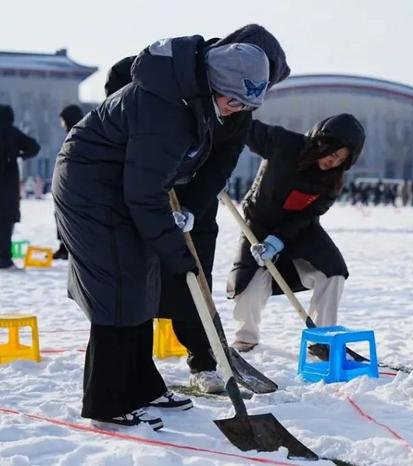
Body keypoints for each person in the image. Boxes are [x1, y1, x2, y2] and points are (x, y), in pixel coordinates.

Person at [52, 34, 270, 429]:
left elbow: (173, 177)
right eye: (233, 100)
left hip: (125, 187)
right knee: (117, 286)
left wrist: (186, 211)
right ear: (214, 83)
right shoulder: (166, 107)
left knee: (140, 281)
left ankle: (142, 387)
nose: (235, 111)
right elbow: (143, 192)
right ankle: (107, 401)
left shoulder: (197, 99)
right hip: (92, 188)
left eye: (245, 105)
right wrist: (176, 251)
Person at [103, 25, 290, 394]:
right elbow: (119, 84)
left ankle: (204, 359)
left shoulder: (241, 111)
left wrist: (191, 206)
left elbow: (222, 164)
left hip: (194, 193)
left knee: (194, 268)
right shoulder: (181, 73)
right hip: (147, 182)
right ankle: (135, 365)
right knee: (140, 267)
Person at [227, 114, 365, 357]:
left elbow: (308, 215)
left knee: (332, 272)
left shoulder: (331, 183)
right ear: (319, 142)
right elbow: (241, 127)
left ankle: (322, 340)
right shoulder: (282, 143)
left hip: (299, 229)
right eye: (333, 152)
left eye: (341, 159)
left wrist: (278, 239)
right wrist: (213, 163)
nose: (333, 161)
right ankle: (245, 338)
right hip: (258, 224)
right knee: (248, 286)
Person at [0, 105, 40, 270]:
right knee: (6, 221)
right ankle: (4, 258)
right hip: (8, 185)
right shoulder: (13, 133)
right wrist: (21, 155)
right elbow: (34, 146)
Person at [53, 105, 84, 260]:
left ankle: (68, 248)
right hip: (68, 183)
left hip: (77, 185)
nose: (62, 124)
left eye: (63, 120)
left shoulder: (80, 133)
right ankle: (64, 247)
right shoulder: (73, 134)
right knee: (61, 214)